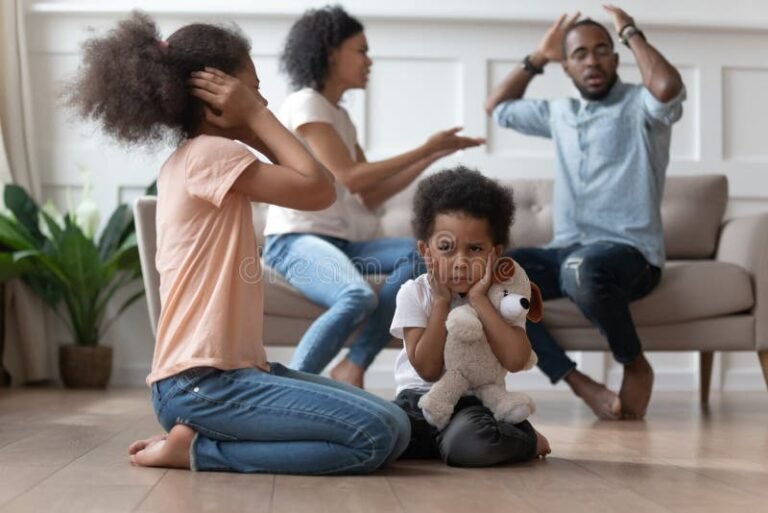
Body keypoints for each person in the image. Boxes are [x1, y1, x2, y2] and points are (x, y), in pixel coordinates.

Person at [66, 11, 411, 474]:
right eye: (253, 88)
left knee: (395, 425)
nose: (262, 99)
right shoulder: (212, 154)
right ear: (217, 94)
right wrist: (258, 118)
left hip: (231, 377)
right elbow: (320, 189)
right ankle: (199, 450)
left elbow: (314, 184)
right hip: (204, 384)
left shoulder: (198, 158)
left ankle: (199, 434)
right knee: (372, 438)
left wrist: (251, 119)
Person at [263, 6, 484, 388]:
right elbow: (347, 175)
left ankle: (353, 364)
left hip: (343, 243)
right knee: (356, 296)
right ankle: (281, 390)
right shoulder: (307, 102)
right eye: (361, 50)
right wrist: (422, 148)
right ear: (332, 53)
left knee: (426, 256)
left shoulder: (339, 117)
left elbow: (368, 192)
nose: (369, 61)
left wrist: (433, 154)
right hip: (294, 241)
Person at [484, 5, 685, 420]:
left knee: (580, 267)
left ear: (615, 57)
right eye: (579, 54)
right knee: (489, 277)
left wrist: (629, 30)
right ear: (567, 66)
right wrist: (538, 56)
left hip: (631, 256)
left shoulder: (642, 106)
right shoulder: (560, 113)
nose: (591, 61)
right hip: (568, 251)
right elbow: (497, 106)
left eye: (601, 50)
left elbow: (666, 87)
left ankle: (634, 363)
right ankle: (580, 383)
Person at [391, 167, 551, 466]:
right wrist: (440, 301)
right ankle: (437, 445)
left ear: (495, 252)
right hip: (417, 402)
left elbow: (516, 360)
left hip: (472, 405)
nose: (461, 262)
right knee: (378, 431)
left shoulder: (502, 298)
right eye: (446, 249)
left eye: (475, 249)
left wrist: (479, 299)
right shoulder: (414, 293)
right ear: (426, 251)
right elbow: (426, 369)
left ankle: (524, 439)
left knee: (472, 444)